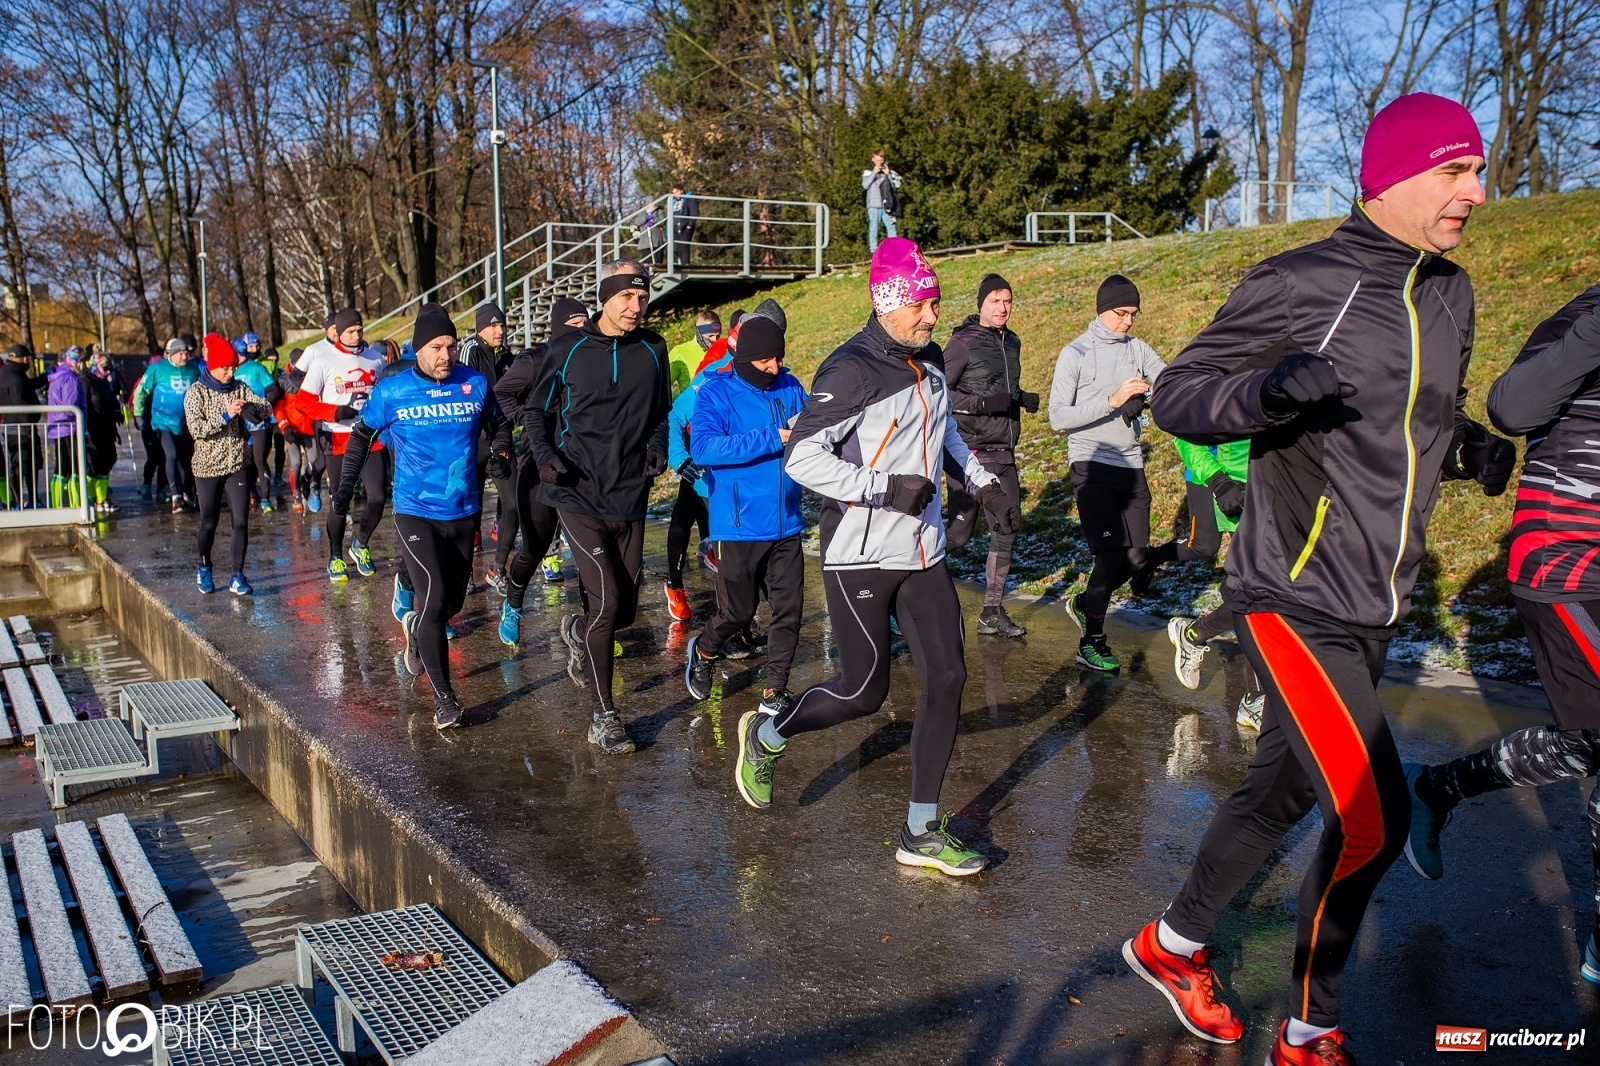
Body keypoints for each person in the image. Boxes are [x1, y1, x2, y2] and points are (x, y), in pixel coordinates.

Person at [1126, 93, 1513, 1063]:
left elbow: (1416, 418)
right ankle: (1311, 1029)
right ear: (1389, 179)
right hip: (1290, 595)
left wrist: (1468, 449)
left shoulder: (1449, 293)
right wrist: (1261, 392)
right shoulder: (1305, 281)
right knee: (1372, 819)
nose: (1476, 189)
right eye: (1455, 171)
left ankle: (1169, 945)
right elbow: (1179, 393)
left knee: (1284, 790)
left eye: (1477, 169)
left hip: (1373, 602)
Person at [738, 237, 1020, 876]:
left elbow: (945, 432)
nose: (930, 318)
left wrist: (982, 483)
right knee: (864, 691)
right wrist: (883, 488)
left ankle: (920, 829)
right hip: (860, 550)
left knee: (947, 679)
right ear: (887, 301)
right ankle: (769, 733)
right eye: (921, 306)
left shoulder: (931, 365)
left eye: (935, 305)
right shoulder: (850, 369)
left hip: (922, 549)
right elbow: (803, 458)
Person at [1405, 282, 1600, 985]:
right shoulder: (1581, 314)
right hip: (1569, 559)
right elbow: (1512, 408)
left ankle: (1439, 788)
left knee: (1589, 739)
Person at [333, 303, 512, 729]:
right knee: (434, 598)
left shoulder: (475, 383)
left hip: (464, 509)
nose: (446, 355)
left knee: (451, 602)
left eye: (451, 346)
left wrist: (503, 450)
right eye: (436, 347)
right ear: (418, 350)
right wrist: (344, 489)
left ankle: (416, 627)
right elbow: (361, 436)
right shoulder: (394, 390)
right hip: (415, 510)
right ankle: (445, 700)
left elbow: (500, 424)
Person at [524, 260, 672, 755]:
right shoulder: (568, 350)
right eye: (626, 298)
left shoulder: (653, 348)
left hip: (629, 494)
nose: (636, 307)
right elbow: (536, 411)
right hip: (576, 493)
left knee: (624, 611)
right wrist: (545, 457)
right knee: (607, 603)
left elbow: (661, 413)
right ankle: (604, 716)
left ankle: (578, 628)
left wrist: (659, 445)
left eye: (642, 298)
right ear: (605, 298)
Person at [682, 315, 807, 715]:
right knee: (737, 612)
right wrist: (773, 437)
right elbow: (703, 448)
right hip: (738, 524)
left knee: (789, 610)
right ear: (746, 358)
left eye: (779, 359)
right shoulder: (716, 393)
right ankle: (703, 651)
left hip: (787, 520)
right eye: (765, 361)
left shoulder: (790, 385)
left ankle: (774, 691)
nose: (774, 368)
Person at [1048, 274, 1166, 671]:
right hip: (1090, 464)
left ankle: (1084, 604)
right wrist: (1113, 401)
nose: (1128, 321)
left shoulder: (1138, 349)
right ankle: (1091, 642)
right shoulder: (1076, 353)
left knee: (1136, 558)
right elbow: (1057, 417)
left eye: (1134, 314)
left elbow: (1167, 383)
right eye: (1121, 313)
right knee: (1109, 557)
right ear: (1102, 310)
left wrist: (1143, 397)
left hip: (1131, 464)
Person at [944, 273, 1039, 638]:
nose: (1003, 307)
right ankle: (901, 586)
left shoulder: (1012, 342)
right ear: (981, 304)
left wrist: (1020, 398)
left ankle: (991, 611)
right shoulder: (961, 343)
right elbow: (941, 394)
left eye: (1008, 301)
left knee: (1007, 525)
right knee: (960, 533)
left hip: (1004, 450)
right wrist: (984, 404)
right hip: (969, 451)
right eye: (996, 301)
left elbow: (1001, 388)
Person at [493, 298, 590, 644]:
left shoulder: (593, 358)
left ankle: (594, 626)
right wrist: (531, 415)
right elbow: (500, 394)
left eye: (586, 326)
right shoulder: (535, 361)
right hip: (539, 466)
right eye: (574, 328)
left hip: (582, 468)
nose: (582, 334)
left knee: (586, 549)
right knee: (535, 545)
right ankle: (514, 603)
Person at [1159, 438, 1265, 726]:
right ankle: (1257, 697)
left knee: (1267, 589)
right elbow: (1185, 435)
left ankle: (1194, 633)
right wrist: (1219, 480)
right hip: (1237, 489)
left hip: (1286, 488)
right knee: (1256, 588)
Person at [300, 308, 387, 581]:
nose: (357, 334)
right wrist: (335, 412)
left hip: (370, 435)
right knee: (341, 500)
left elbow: (387, 394)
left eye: (360, 329)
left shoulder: (375, 359)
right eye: (350, 330)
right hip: (338, 437)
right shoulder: (323, 360)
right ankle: (335, 556)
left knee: (378, 497)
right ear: (339, 332)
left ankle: (359, 544)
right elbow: (303, 402)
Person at [185, 335, 270, 595]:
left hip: (238, 464)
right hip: (208, 466)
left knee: (241, 521)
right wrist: (226, 415)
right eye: (225, 367)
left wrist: (252, 408)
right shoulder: (196, 392)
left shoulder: (239, 386)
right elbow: (197, 430)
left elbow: (266, 407)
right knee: (209, 522)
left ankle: (237, 575)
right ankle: (204, 567)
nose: (230, 372)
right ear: (212, 365)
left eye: (233, 367)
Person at [663, 317, 730, 622]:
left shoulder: (760, 359)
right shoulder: (709, 355)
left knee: (709, 516)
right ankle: (674, 582)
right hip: (694, 440)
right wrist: (678, 452)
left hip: (724, 449)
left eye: (716, 328)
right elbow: (678, 401)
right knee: (684, 512)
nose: (713, 333)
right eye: (706, 329)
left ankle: (735, 605)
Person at [459, 302, 517, 592]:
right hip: (473, 439)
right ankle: (465, 569)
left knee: (513, 502)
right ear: (481, 327)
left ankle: (497, 568)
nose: (500, 330)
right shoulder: (471, 351)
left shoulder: (508, 356)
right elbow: (462, 390)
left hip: (501, 436)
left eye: (502, 325)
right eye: (493, 325)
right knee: (471, 508)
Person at [133, 337, 199, 512]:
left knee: (187, 460)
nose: (185, 356)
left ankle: (188, 492)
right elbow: (141, 392)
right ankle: (175, 495)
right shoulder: (157, 369)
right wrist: (138, 414)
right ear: (171, 354)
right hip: (163, 423)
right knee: (171, 455)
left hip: (186, 423)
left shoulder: (194, 369)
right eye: (180, 353)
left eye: (186, 353)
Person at [232, 338, 279, 514]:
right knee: (246, 461)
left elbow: (274, 390)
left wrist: (262, 409)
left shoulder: (256, 368)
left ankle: (266, 499)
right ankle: (252, 494)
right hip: (240, 424)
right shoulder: (230, 372)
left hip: (259, 424)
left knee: (259, 459)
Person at [45, 347, 88, 508]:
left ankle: (56, 504)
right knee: (74, 467)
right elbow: (71, 405)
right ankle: (76, 504)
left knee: (61, 467)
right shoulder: (70, 378)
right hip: (69, 427)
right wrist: (81, 423)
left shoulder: (57, 376)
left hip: (57, 426)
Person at [0, 344, 42, 508]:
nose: (27, 361)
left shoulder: (16, 373)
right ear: (14, 357)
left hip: (22, 428)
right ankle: (17, 503)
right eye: (24, 357)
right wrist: (28, 427)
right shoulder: (13, 378)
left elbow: (29, 386)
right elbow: (21, 404)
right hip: (19, 429)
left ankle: (31, 499)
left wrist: (45, 377)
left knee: (31, 465)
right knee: (21, 466)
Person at [83, 351, 124, 516]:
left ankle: (102, 499)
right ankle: (92, 498)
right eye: (105, 368)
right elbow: (84, 405)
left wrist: (116, 414)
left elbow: (110, 401)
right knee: (93, 466)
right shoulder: (86, 382)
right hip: (92, 430)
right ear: (95, 366)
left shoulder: (104, 382)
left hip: (106, 429)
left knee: (108, 462)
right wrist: (85, 429)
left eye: (110, 368)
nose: (108, 372)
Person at [129, 353, 168, 502]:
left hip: (163, 424)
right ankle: (147, 484)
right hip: (148, 424)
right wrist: (138, 419)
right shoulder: (143, 381)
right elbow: (133, 400)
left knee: (164, 457)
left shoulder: (165, 381)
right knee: (153, 456)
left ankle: (161, 489)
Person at [668, 311, 720, 399]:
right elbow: (661, 388)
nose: (715, 340)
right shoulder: (680, 352)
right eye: (710, 336)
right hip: (691, 410)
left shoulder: (722, 350)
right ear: (699, 333)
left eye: (717, 336)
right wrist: (679, 404)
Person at [861, 151, 902, 253]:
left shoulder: (888, 171)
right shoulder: (868, 171)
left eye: (881, 160)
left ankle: (894, 250)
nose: (879, 162)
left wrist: (888, 175)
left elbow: (895, 187)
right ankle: (873, 251)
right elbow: (865, 185)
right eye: (877, 160)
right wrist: (874, 172)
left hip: (888, 205)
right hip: (874, 205)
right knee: (874, 228)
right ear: (873, 159)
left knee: (891, 227)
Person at [669, 183, 698, 265]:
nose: (675, 194)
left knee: (684, 247)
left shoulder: (689, 199)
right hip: (675, 228)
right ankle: (681, 265)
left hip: (685, 226)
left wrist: (690, 224)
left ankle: (686, 266)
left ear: (681, 191)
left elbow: (694, 212)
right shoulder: (673, 202)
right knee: (678, 248)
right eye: (673, 193)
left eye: (676, 192)